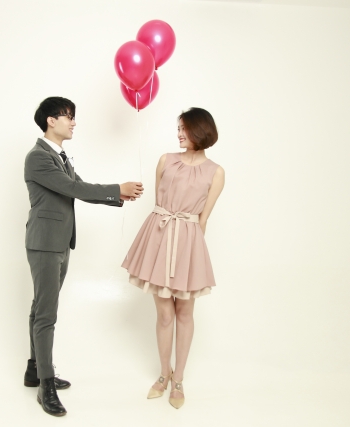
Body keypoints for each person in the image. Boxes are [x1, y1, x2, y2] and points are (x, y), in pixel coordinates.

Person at [23, 96, 143, 417]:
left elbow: (79, 186)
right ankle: (45, 384)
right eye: (68, 116)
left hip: (59, 242)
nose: (74, 122)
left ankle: (35, 369)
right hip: (45, 243)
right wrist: (117, 187)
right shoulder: (38, 157)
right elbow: (74, 189)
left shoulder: (59, 156)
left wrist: (117, 196)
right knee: (46, 314)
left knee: (40, 308)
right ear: (51, 120)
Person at [121, 107, 225, 409]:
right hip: (159, 237)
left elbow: (203, 219)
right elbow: (159, 205)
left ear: (200, 130)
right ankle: (163, 373)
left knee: (185, 313)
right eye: (178, 128)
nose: (178, 133)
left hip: (188, 243)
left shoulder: (216, 172)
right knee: (165, 314)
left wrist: (189, 256)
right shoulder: (165, 160)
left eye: (184, 129)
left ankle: (178, 378)